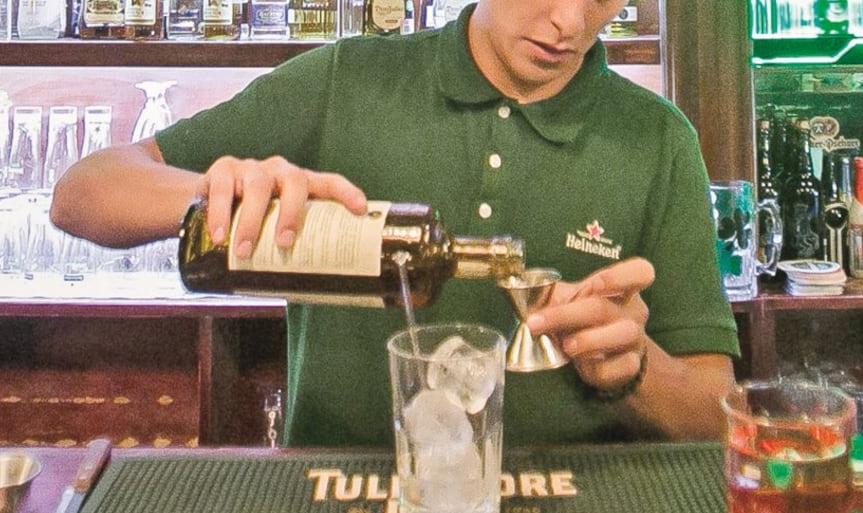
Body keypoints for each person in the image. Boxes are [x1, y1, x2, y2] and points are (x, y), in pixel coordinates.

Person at [51, 0, 739, 448]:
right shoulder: (344, 81)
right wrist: (213, 191)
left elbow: (715, 416)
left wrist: (633, 367)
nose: (568, 21)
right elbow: (81, 194)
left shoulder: (656, 138)